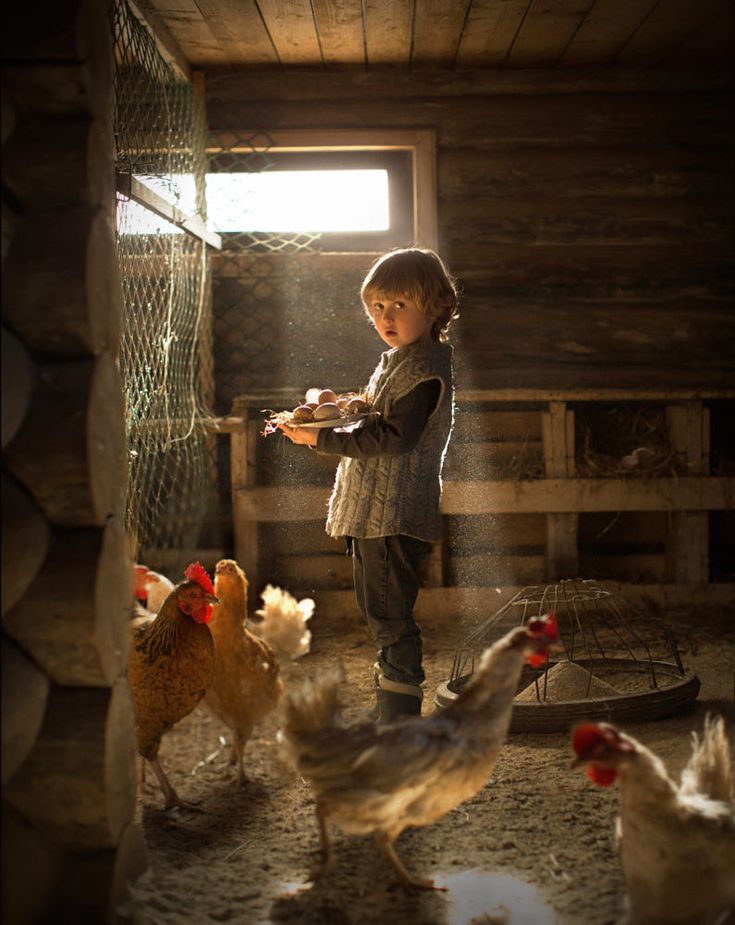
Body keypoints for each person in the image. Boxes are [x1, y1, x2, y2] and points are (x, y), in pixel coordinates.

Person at [278, 247, 460, 723]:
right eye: (378, 306)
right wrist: (342, 409)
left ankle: (398, 724)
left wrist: (323, 438)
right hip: (374, 514)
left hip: (392, 514)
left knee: (389, 620)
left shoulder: (424, 369)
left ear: (435, 305)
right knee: (381, 614)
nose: (386, 316)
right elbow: (379, 413)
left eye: (399, 304)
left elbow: (393, 438)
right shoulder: (398, 361)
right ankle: (394, 717)